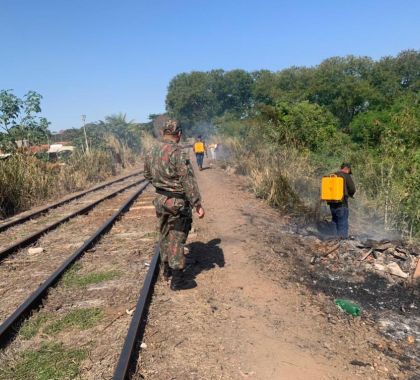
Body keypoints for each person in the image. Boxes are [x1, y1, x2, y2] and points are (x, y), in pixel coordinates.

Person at [144, 119, 205, 291]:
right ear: (178, 134)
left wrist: (162, 186)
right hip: (177, 202)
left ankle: (166, 271)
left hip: (160, 200)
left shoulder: (151, 151)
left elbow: (147, 174)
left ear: (164, 133)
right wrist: (197, 203)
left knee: (164, 234)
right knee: (177, 237)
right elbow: (187, 180)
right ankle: (177, 280)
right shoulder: (177, 152)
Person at [329, 163, 356, 239]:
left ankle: (334, 239)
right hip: (342, 204)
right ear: (348, 169)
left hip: (332, 204)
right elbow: (352, 189)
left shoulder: (332, 175)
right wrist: (350, 194)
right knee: (342, 223)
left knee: (334, 221)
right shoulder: (346, 175)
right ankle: (343, 241)